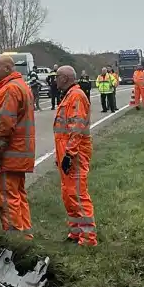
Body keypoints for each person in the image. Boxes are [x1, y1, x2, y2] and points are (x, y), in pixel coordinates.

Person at [0, 55, 36, 238]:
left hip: (9, 156)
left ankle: (15, 241)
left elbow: (4, 126)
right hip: (19, 154)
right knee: (19, 197)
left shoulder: (10, 90)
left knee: (7, 199)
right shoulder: (21, 86)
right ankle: (26, 237)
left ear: (7, 69)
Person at [53, 65, 97, 246]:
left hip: (76, 153)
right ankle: (76, 233)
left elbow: (76, 129)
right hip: (67, 151)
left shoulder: (76, 96)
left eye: (57, 77)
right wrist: (61, 155)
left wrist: (69, 154)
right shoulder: (70, 95)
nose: (55, 80)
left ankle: (88, 239)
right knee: (69, 194)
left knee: (78, 194)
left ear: (65, 78)